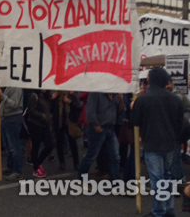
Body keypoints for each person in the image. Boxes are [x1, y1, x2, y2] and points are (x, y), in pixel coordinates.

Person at [132, 67, 184, 217]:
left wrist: (133, 107)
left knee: (157, 178)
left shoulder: (143, 99)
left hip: (151, 143)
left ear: (150, 79)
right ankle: (169, 208)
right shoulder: (176, 99)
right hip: (169, 143)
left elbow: (135, 121)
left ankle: (158, 211)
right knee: (167, 176)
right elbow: (180, 123)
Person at [77, 91, 123, 182]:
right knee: (91, 155)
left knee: (115, 156)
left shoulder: (114, 94)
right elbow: (90, 112)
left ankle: (116, 181)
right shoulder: (96, 93)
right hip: (99, 128)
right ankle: (81, 179)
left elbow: (120, 110)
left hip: (110, 128)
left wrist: (121, 100)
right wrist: (96, 125)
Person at [0, 86, 25, 181]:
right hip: (6, 119)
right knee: (8, 146)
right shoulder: (9, 87)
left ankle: (17, 171)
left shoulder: (16, 87)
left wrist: (2, 95)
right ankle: (11, 167)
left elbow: (15, 104)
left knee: (15, 146)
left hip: (13, 119)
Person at [25, 90, 55, 178]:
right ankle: (36, 167)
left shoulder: (46, 96)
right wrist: (42, 115)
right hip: (35, 124)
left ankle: (38, 162)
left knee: (50, 144)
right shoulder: (34, 96)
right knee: (36, 146)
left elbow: (49, 108)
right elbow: (31, 110)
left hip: (44, 124)